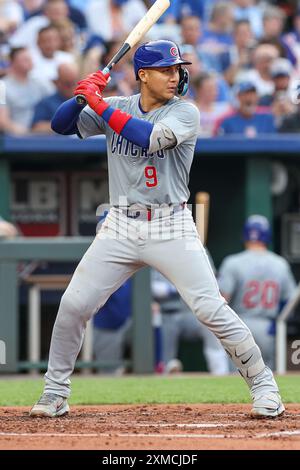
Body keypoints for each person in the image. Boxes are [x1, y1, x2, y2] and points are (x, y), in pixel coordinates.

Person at [30, 39, 284, 419]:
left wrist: (97, 103)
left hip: (171, 223)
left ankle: (265, 386)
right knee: (73, 305)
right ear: (142, 75)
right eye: (166, 70)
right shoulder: (117, 106)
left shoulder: (186, 112)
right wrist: (82, 94)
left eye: (177, 69)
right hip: (120, 224)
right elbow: (60, 125)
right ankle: (54, 392)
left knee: (210, 307)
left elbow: (146, 139)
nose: (175, 75)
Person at [218, 215, 297, 371]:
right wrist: (279, 321)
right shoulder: (280, 264)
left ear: (245, 236)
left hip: (239, 325)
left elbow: (221, 299)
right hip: (268, 327)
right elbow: (291, 301)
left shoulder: (232, 262)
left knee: (237, 376)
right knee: (268, 378)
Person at [152, 270, 229, 375]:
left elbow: (213, 279)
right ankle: (165, 370)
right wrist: (179, 288)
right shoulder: (154, 254)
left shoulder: (198, 252)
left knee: (210, 326)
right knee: (165, 356)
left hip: (190, 313)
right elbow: (150, 287)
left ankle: (220, 373)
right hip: (165, 314)